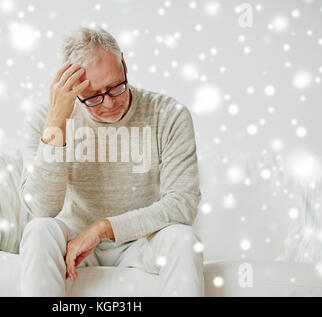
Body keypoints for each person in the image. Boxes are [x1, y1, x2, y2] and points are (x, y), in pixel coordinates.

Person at [19, 27, 204, 296]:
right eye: (93, 96)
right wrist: (57, 124)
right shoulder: (47, 119)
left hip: (143, 243)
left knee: (183, 239)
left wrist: (104, 228)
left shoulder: (169, 114)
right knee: (39, 230)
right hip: (73, 244)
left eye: (116, 87)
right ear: (74, 90)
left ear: (124, 65)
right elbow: (41, 208)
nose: (108, 103)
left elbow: (183, 204)